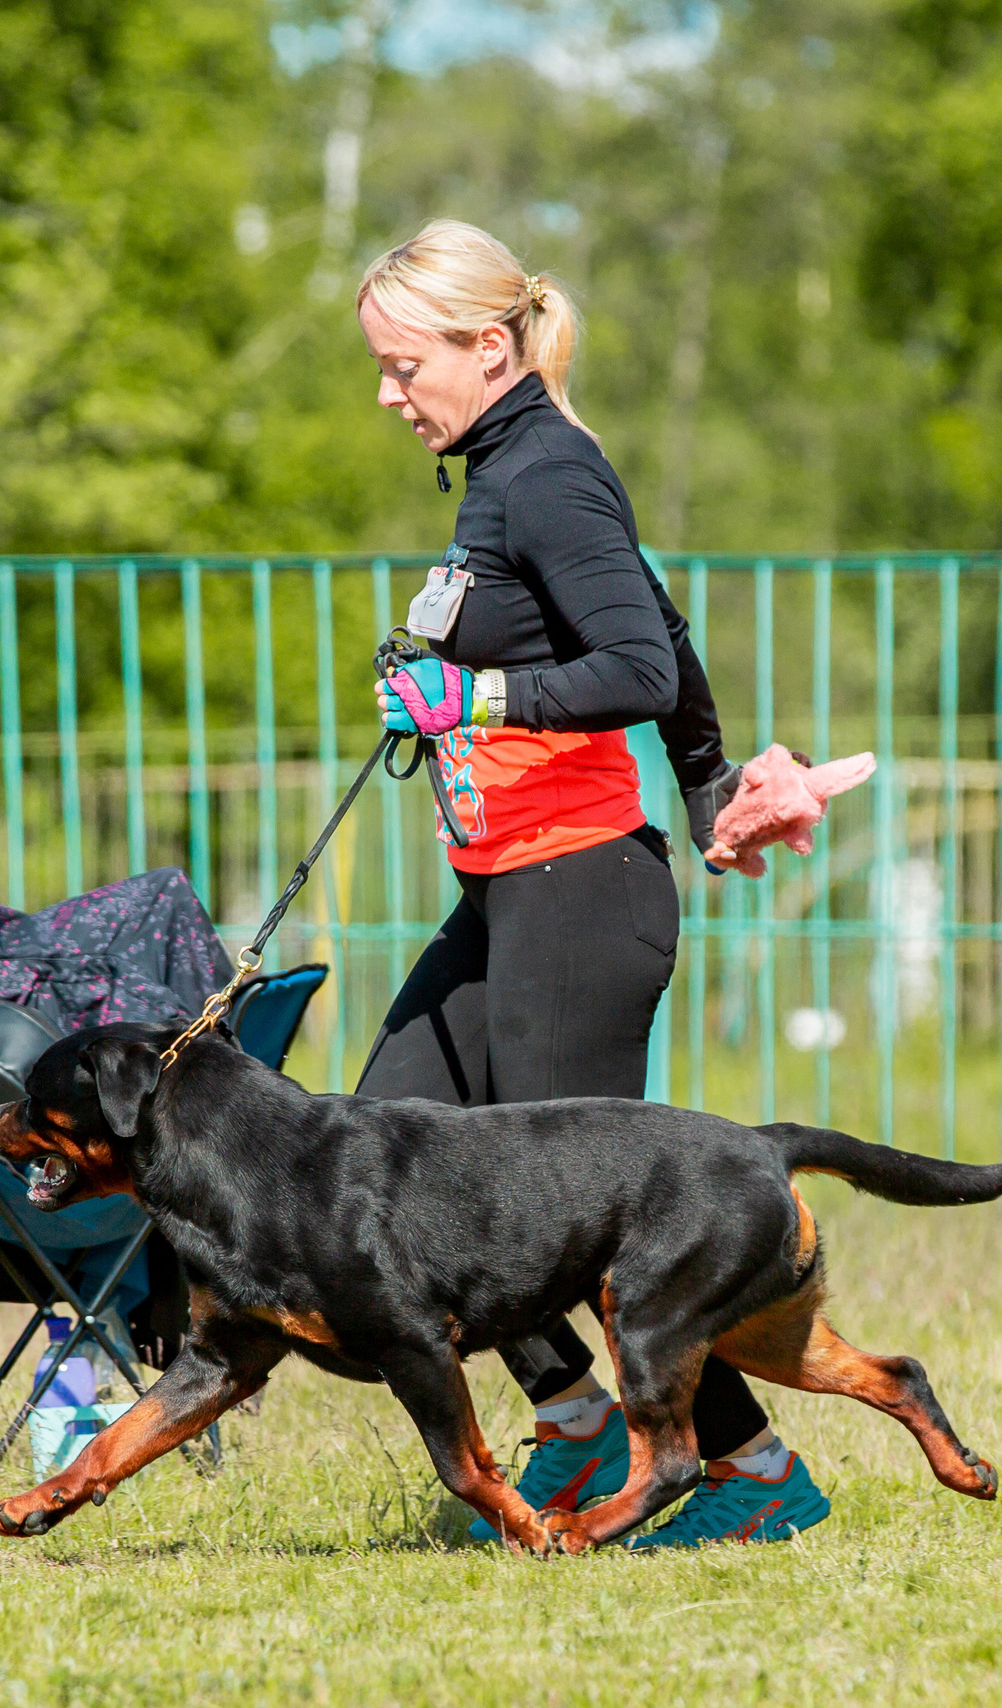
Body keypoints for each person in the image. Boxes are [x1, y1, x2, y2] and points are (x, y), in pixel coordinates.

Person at [350, 218, 828, 1548]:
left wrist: (477, 691)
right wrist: (713, 786)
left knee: (587, 1227)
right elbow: (662, 624)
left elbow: (637, 663)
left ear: (486, 347)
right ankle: (568, 1425)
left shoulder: (545, 469)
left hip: (580, 894)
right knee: (384, 1164)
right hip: (507, 892)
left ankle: (749, 1476)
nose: (390, 393)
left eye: (404, 365)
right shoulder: (508, 472)